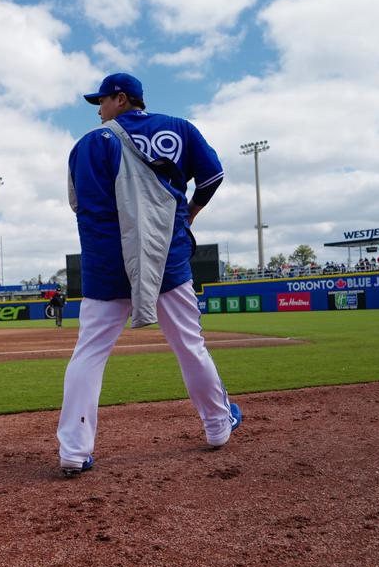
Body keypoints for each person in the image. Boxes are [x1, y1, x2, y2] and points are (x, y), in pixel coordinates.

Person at [57, 72, 241, 478]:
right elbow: (212, 177)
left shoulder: (85, 146)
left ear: (121, 99)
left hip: (106, 265)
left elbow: (76, 204)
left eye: (102, 102)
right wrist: (187, 213)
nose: (99, 110)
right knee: (189, 345)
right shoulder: (178, 128)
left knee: (89, 354)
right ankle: (216, 426)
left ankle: (73, 449)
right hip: (164, 259)